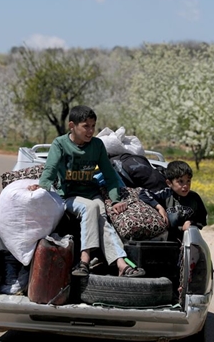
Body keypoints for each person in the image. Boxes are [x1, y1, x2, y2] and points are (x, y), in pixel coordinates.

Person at [27, 105, 145, 277]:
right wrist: (42, 186)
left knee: (101, 214)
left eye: (93, 126)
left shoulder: (97, 145)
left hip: (91, 194)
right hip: (68, 196)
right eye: (85, 126)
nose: (90, 131)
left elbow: (110, 175)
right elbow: (50, 169)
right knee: (91, 208)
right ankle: (85, 259)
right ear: (72, 126)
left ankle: (119, 263)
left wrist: (116, 199)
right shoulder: (60, 144)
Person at [138, 160, 208, 241]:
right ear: (169, 183)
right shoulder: (165, 194)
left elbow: (203, 218)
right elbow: (144, 194)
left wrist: (191, 223)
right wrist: (159, 207)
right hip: (167, 240)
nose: (185, 186)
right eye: (180, 182)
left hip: (188, 239)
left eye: (188, 181)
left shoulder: (194, 198)